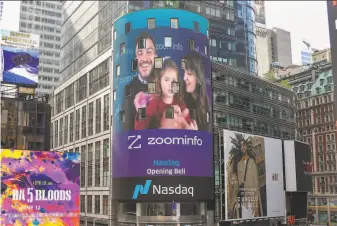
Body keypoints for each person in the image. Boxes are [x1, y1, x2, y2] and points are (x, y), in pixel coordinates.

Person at [134, 58, 196, 130]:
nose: (171, 84)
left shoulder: (180, 103)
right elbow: (139, 128)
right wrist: (141, 110)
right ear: (159, 82)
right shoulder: (154, 104)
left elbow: (189, 126)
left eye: (174, 80)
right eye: (166, 80)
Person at [122, 32, 157, 131]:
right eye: (140, 53)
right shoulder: (129, 90)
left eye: (149, 52)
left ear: (156, 56)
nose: (144, 59)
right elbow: (126, 131)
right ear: (136, 60)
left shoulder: (166, 84)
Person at [228, 136, 262, 219]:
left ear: (246, 147)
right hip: (244, 200)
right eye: (240, 146)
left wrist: (256, 204)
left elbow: (256, 184)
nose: (242, 147)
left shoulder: (252, 162)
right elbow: (237, 184)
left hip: (252, 199)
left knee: (253, 221)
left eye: (243, 145)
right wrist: (234, 202)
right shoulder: (239, 164)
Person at [182, 51, 211, 131]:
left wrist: (195, 134)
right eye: (184, 72)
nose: (185, 78)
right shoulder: (181, 97)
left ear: (198, 78)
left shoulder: (205, 104)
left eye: (189, 73)